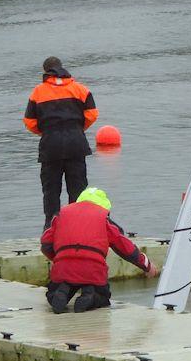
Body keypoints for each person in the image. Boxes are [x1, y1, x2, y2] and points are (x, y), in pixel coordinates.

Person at [41, 187, 160, 313]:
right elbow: (125, 247)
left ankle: (60, 292)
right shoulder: (103, 218)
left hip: (63, 268)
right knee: (103, 296)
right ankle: (90, 296)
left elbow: (46, 243)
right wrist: (147, 265)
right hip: (93, 269)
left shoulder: (61, 214)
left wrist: (59, 259)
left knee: (58, 287)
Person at [24, 56, 99, 229]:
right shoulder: (80, 89)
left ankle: (51, 226)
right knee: (78, 188)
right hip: (76, 143)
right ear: (61, 68)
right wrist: (78, 129)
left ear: (45, 71)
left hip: (50, 146)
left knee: (51, 189)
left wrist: (46, 131)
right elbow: (92, 114)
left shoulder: (38, 92)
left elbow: (29, 122)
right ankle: (78, 225)